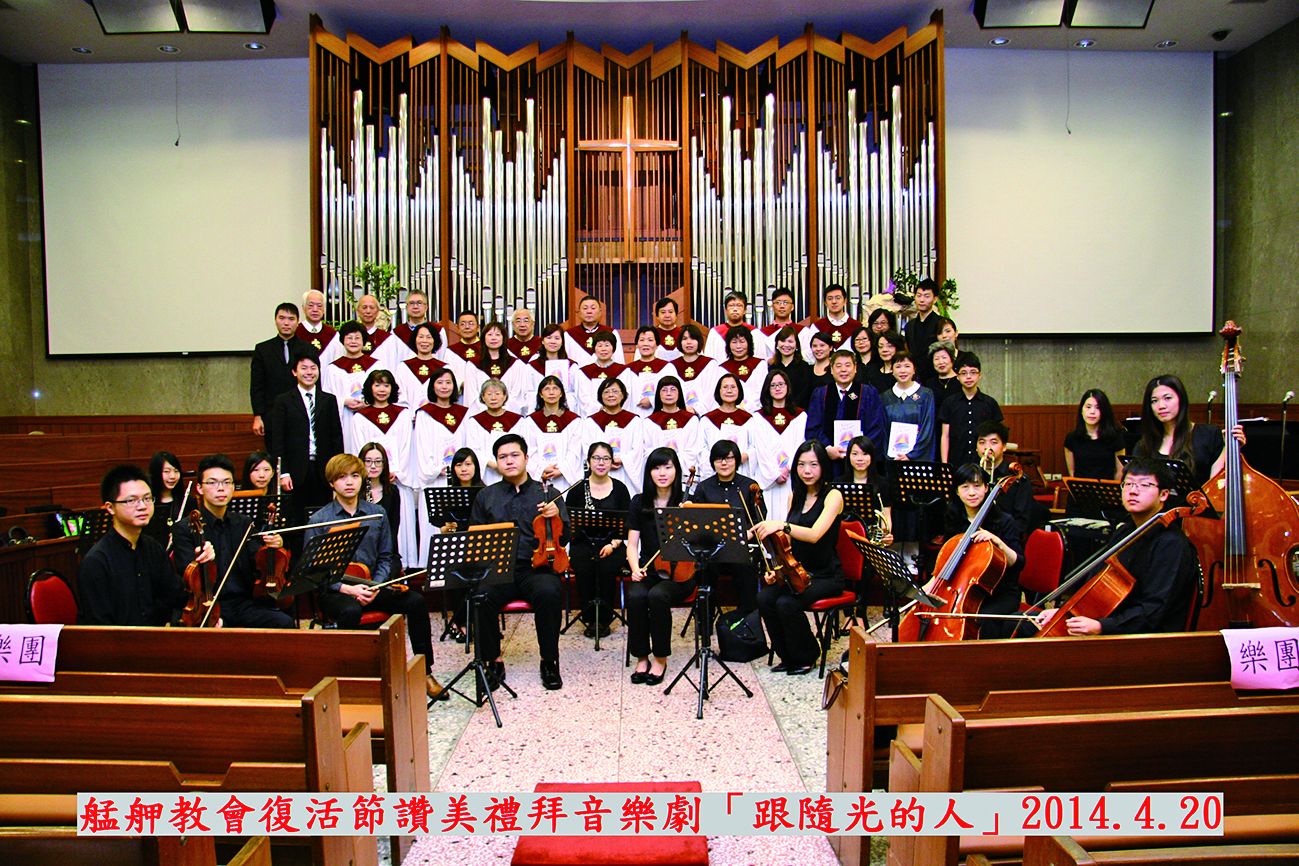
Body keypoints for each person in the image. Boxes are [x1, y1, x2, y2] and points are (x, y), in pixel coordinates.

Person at [306, 453, 443, 699]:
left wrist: (375, 585)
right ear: (331, 483)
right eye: (342, 477)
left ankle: (425, 672)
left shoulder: (377, 513)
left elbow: (387, 556)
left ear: (362, 479)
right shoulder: (319, 520)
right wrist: (348, 589)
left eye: (355, 476)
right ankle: (353, 679)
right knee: (350, 611)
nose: (349, 482)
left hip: (372, 585)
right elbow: (315, 571)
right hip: (337, 591)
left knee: (415, 602)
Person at [1033, 457, 1198, 635]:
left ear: (1163, 494)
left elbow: (1153, 610)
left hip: (1145, 638)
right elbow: (1096, 587)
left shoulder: (1171, 544)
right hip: (1111, 625)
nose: (1133, 491)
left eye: (1144, 485)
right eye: (1128, 484)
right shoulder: (1125, 531)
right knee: (1019, 625)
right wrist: (1064, 613)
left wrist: (1102, 626)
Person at [470, 434, 568, 691]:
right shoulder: (486, 496)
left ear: (526, 458)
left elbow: (566, 536)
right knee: (481, 596)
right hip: (499, 569)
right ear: (497, 462)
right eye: (503, 457)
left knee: (550, 592)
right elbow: (475, 538)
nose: (509, 461)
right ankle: (493, 660)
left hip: (536, 568)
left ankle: (549, 660)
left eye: (515, 455)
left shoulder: (549, 493)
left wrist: (556, 516)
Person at [752, 440, 847, 675]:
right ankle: (787, 655)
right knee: (765, 598)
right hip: (797, 571)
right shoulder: (794, 496)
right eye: (802, 464)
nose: (807, 471)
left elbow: (814, 535)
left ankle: (807, 655)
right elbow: (788, 544)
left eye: (814, 465)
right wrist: (776, 569)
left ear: (823, 466)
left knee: (787, 603)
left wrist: (781, 525)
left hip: (826, 575)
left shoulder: (833, 496)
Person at [172, 454, 293, 629]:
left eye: (227, 482)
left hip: (244, 603)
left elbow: (257, 560)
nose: (221, 488)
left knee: (284, 622)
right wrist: (201, 560)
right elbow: (186, 577)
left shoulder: (243, 523)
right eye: (212, 483)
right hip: (209, 605)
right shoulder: (184, 528)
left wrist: (273, 547)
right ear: (199, 488)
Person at [78, 464, 189, 626]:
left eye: (147, 498)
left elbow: (177, 596)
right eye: (131, 500)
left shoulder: (153, 549)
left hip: (156, 637)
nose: (142, 506)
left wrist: (200, 565)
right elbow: (100, 627)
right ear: (110, 508)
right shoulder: (96, 562)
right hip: (117, 641)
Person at [624, 447, 695, 685]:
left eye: (667, 467)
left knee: (657, 596)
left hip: (680, 574)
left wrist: (690, 517)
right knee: (636, 595)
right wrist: (635, 568)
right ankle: (641, 657)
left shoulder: (687, 502)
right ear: (649, 473)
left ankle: (660, 658)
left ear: (676, 471)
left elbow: (700, 545)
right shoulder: (639, 502)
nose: (662, 473)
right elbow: (632, 544)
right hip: (650, 569)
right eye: (656, 468)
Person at [934, 462, 1024, 640]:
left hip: (1000, 593)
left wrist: (998, 542)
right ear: (956, 491)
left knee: (980, 620)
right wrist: (928, 589)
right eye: (965, 487)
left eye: (977, 486)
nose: (972, 492)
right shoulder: (954, 520)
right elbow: (946, 562)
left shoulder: (1004, 521)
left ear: (986, 488)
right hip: (963, 590)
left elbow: (1019, 562)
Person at [564, 441, 631, 638]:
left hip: (613, 543)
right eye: (596, 458)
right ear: (588, 461)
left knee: (607, 568)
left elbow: (626, 523)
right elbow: (570, 524)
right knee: (584, 567)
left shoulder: (620, 489)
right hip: (583, 542)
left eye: (606, 458)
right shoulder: (577, 489)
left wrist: (613, 544)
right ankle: (589, 617)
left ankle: (604, 618)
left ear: (612, 462)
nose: (601, 463)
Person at [270, 349, 345, 521]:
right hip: (295, 471)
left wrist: (337, 471)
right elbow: (278, 440)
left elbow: (336, 438)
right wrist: (284, 473)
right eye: (304, 368)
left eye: (313, 368)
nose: (309, 372)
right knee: (296, 518)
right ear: (294, 372)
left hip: (323, 470)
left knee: (324, 517)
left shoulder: (329, 400)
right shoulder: (283, 401)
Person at [350, 369, 416, 567]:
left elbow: (407, 447)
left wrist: (395, 471)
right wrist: (373, 471)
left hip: (397, 479)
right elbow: (360, 449)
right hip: (371, 482)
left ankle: (402, 567)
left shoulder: (402, 414)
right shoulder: (360, 417)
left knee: (399, 524)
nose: (382, 389)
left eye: (386, 385)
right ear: (370, 388)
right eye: (377, 385)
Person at [1132, 374, 1245, 489]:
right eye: (1154, 401)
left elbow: (1216, 485)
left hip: (1200, 499)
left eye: (1168, 398)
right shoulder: (1144, 445)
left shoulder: (1209, 434)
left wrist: (1231, 448)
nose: (1161, 406)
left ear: (1181, 399)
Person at [688, 440, 763, 613]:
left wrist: (748, 533)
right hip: (713, 550)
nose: (723, 463)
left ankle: (747, 617)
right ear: (712, 462)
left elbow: (759, 519)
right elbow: (697, 523)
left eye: (728, 458)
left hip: (742, 548)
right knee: (704, 569)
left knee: (746, 568)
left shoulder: (750, 486)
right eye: (718, 459)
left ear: (736, 460)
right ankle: (706, 617)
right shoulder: (703, 488)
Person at [805, 349, 889, 469]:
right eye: (838, 366)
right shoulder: (821, 394)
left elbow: (876, 427)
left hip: (860, 461)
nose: (843, 370)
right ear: (831, 370)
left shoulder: (868, 393)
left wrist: (859, 451)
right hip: (828, 461)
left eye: (848, 365)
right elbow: (813, 427)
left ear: (855, 369)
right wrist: (827, 448)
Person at [413, 368, 468, 549]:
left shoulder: (464, 413)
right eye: (440, 382)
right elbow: (422, 446)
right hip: (435, 479)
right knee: (435, 529)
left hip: (460, 478)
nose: (444, 387)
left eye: (448, 382)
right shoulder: (424, 414)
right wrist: (436, 469)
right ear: (432, 386)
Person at [750, 368, 807, 525]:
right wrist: (774, 474)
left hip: (791, 477)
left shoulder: (800, 416)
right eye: (773, 385)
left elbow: (800, 445)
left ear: (788, 387)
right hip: (769, 478)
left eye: (781, 384)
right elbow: (761, 449)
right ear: (767, 389)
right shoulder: (759, 417)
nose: (777, 388)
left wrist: (788, 469)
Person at [439, 447, 484, 643]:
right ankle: (461, 623)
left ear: (476, 467)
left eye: (468, 464)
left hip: (479, 546)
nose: (464, 469)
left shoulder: (485, 492)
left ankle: (478, 621)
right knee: (453, 569)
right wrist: (447, 528)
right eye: (459, 465)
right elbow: (442, 530)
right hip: (457, 545)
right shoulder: (447, 494)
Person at [250, 302, 309, 441]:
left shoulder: (307, 349)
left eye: (291, 319)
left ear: (298, 322)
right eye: (282, 318)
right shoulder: (262, 350)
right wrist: (258, 416)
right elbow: (257, 386)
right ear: (275, 320)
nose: (286, 323)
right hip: (271, 414)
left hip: (302, 414)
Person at [323, 321, 385, 453]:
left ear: (363, 341)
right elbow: (327, 399)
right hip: (344, 419)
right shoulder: (333, 369)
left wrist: (367, 403)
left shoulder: (376, 366)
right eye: (349, 338)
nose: (353, 341)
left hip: (370, 417)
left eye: (357, 338)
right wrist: (344, 401)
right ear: (342, 340)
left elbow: (385, 392)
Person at [578, 378, 644, 494]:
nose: (611, 395)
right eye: (606, 392)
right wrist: (604, 461)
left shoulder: (634, 421)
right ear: (600, 396)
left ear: (623, 395)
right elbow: (587, 448)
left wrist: (622, 459)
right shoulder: (591, 422)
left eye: (615, 391)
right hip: (599, 473)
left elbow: (638, 449)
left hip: (625, 473)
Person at [975, 420, 1041, 535]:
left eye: (993, 442)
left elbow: (1021, 524)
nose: (987, 448)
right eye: (982, 442)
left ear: (1004, 447)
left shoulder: (1019, 479)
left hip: (1005, 537)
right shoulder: (971, 476)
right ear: (976, 447)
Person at [939, 352, 1002, 469]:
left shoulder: (990, 403)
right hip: (956, 462)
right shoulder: (949, 403)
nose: (968, 377)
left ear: (980, 375)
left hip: (984, 463)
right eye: (963, 373)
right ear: (957, 376)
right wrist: (944, 464)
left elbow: (997, 437)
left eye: (973, 372)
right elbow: (945, 436)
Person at [519, 375, 585, 488]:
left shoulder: (574, 420)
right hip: (540, 476)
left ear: (561, 393)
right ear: (541, 394)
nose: (551, 392)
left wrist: (562, 470)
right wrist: (542, 469)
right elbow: (530, 449)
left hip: (564, 479)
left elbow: (575, 450)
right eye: (547, 389)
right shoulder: (531, 421)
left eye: (555, 388)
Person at [641, 376, 704, 481]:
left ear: (679, 393)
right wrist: (663, 466)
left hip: (685, 474)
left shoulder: (692, 420)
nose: (669, 393)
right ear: (658, 394)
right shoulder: (649, 422)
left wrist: (675, 465)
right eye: (664, 390)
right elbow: (647, 451)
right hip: (659, 475)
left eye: (673, 389)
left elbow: (695, 450)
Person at [464, 379, 525, 484]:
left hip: (513, 469)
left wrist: (507, 463)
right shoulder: (474, 422)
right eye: (489, 394)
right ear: (483, 397)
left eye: (497, 394)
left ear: (505, 396)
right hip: (487, 473)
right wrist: (492, 464)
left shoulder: (518, 421)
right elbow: (473, 449)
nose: (493, 398)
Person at [880, 351, 936, 462]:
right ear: (892, 370)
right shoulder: (885, 397)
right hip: (893, 458)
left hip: (919, 458)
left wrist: (911, 455)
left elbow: (927, 428)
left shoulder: (925, 395)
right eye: (898, 366)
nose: (902, 371)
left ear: (914, 369)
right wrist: (890, 456)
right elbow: (883, 431)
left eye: (907, 366)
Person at [475, 321, 540, 415]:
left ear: (504, 338)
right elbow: (472, 395)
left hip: (509, 415)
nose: (493, 338)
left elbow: (517, 394)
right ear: (483, 338)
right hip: (481, 415)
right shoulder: (473, 365)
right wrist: (488, 411)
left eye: (498, 335)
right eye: (490, 334)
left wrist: (502, 411)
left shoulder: (515, 364)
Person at [359, 442, 403, 575]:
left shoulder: (392, 491)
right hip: (361, 554)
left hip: (386, 553)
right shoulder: (355, 491)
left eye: (378, 461)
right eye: (368, 461)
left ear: (384, 464)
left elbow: (393, 528)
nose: (373, 466)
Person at [699, 372, 755, 476]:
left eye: (733, 387)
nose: (729, 391)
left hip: (741, 471)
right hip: (714, 473)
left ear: (739, 391)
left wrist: (745, 456)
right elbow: (701, 448)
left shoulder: (748, 419)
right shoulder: (707, 420)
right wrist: (717, 461)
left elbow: (754, 446)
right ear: (719, 391)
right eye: (725, 387)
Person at [1064, 389, 1125, 481]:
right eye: (1088, 407)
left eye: (1098, 407)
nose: (1092, 411)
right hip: (1080, 488)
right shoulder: (1071, 438)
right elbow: (1072, 472)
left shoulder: (1115, 437)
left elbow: (1119, 472)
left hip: (1107, 488)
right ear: (1081, 410)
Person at [842, 435, 893, 546]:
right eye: (855, 454)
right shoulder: (839, 483)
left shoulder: (882, 483)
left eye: (865, 454)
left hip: (872, 540)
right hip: (844, 537)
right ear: (848, 456)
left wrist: (886, 535)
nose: (860, 458)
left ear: (872, 457)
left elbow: (886, 515)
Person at [573, 330, 633, 417]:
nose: (603, 349)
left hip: (617, 415)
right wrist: (600, 408)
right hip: (593, 417)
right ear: (594, 348)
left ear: (613, 348)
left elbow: (626, 394)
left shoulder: (623, 371)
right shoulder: (584, 372)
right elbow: (583, 398)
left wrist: (613, 410)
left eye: (607, 345)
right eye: (600, 345)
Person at [394, 322, 449, 410]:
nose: (424, 341)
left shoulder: (445, 368)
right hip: (409, 415)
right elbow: (399, 396)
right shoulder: (403, 367)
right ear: (415, 340)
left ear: (435, 340)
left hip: (435, 415)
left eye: (429, 337)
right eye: (421, 337)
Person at [669, 323, 719, 416]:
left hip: (705, 415)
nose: (689, 342)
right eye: (685, 339)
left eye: (693, 338)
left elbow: (712, 393)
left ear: (699, 341)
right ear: (680, 342)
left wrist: (696, 409)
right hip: (679, 415)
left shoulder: (710, 364)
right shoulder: (672, 366)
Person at [800, 283, 861, 356]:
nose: (834, 302)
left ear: (845, 301)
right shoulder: (817, 327)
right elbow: (809, 352)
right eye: (830, 298)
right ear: (825, 303)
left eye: (838, 298)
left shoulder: (857, 326)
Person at [355, 293, 413, 368]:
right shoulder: (349, 338)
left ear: (377, 311)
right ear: (358, 311)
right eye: (364, 307)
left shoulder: (389, 339)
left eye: (372, 307)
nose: (368, 311)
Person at [719, 325, 768, 412]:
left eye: (742, 341)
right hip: (731, 411)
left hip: (756, 412)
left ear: (749, 343)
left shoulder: (760, 365)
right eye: (734, 342)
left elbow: (762, 391)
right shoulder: (722, 369)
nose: (738, 346)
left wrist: (747, 408)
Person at [143, 450, 186, 547]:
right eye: (167, 471)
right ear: (156, 473)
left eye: (176, 471)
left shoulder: (187, 501)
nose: (173, 476)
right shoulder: (146, 503)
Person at [904, 278, 941, 383]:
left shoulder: (941, 323)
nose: (922, 300)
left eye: (927, 296)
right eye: (919, 295)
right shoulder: (909, 326)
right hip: (914, 377)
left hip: (935, 376)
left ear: (935, 299)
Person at [626, 327, 670, 417]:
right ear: (637, 345)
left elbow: (671, 392)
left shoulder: (667, 367)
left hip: (659, 416)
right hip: (633, 415)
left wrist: (652, 401)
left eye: (650, 340)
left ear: (657, 345)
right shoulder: (628, 369)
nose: (645, 344)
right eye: (642, 340)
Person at [768, 325, 813, 410]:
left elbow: (805, 394)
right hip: (775, 412)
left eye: (790, 341)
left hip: (799, 412)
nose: (786, 345)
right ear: (777, 344)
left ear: (797, 346)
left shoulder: (805, 368)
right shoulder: (771, 369)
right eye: (783, 341)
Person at [703, 290, 752, 361]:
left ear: (745, 310)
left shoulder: (754, 332)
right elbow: (709, 360)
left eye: (739, 306)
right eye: (731, 306)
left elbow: (758, 360)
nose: (735, 309)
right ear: (725, 310)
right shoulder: (715, 333)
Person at [757, 287, 803, 360]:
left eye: (785, 302)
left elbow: (808, 357)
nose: (782, 306)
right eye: (778, 303)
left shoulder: (803, 331)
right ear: (772, 306)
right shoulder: (761, 334)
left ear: (792, 307)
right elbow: (759, 357)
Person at [295, 289, 340, 365]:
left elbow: (338, 362)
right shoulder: (295, 332)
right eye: (311, 305)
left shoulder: (333, 335)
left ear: (324, 309)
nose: (315, 309)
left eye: (319, 306)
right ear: (303, 308)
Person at [563, 295, 606, 366]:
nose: (589, 311)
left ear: (600, 312)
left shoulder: (611, 333)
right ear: (579, 312)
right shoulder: (568, 335)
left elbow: (618, 363)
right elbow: (564, 362)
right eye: (585, 308)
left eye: (593, 308)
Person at [865, 330, 904, 394]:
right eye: (881, 347)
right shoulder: (872, 372)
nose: (884, 350)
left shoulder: (904, 372)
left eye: (889, 346)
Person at [928, 341, 961, 410]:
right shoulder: (930, 383)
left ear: (952, 359)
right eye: (936, 359)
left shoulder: (961, 381)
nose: (941, 362)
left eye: (944, 357)